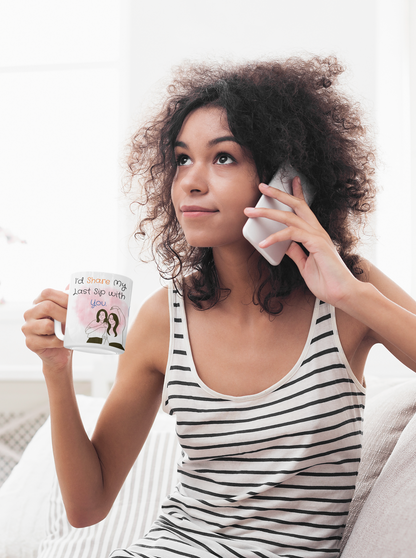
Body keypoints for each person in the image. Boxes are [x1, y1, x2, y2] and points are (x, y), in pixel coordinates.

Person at [22, 56, 416, 558]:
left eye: (223, 157)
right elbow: (88, 506)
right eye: (183, 159)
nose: (190, 180)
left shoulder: (348, 292)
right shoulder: (162, 319)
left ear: (286, 176)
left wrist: (348, 292)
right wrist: (57, 371)